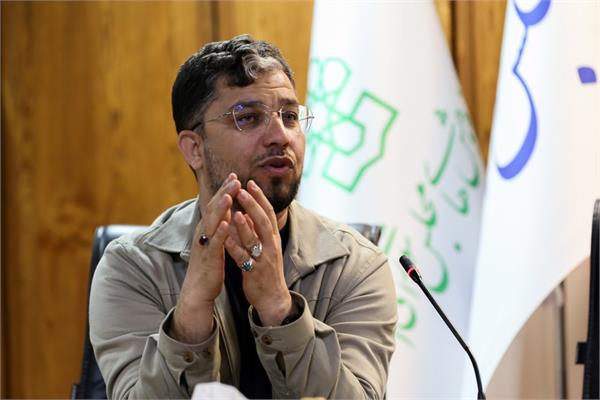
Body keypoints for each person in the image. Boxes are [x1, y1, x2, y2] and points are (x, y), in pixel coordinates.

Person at [89, 34, 397, 399]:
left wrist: (280, 309)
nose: (280, 136)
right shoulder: (133, 267)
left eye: (290, 116)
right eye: (248, 118)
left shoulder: (356, 266)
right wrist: (190, 316)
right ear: (194, 149)